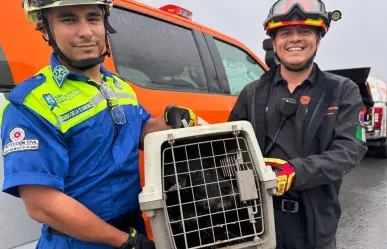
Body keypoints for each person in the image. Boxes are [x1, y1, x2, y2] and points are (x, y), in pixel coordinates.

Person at [0, 0, 197, 248]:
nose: (85, 32)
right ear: (45, 28)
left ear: (105, 24)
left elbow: (142, 134)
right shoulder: (31, 103)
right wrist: (124, 241)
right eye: (69, 19)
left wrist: (171, 118)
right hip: (77, 241)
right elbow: (41, 203)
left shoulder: (118, 86)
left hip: (132, 230)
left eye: (93, 18)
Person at [228, 0, 367, 248]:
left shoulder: (341, 90)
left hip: (314, 225)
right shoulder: (252, 93)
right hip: (258, 222)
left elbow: (350, 149)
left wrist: (295, 172)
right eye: (285, 33)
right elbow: (230, 147)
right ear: (274, 41)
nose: (295, 39)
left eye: (304, 32)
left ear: (318, 39)